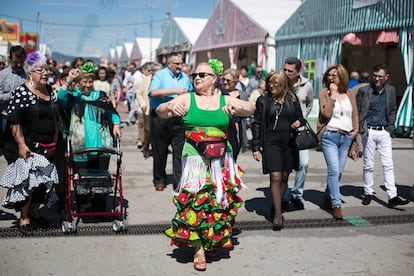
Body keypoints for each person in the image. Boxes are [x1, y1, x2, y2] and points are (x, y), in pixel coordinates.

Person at [157, 60, 255, 271]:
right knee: (196, 202)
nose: (197, 78)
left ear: (214, 79)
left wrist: (236, 107)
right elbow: (160, 111)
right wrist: (170, 105)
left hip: (221, 157)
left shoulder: (224, 98)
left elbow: (251, 107)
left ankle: (211, 238)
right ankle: (198, 248)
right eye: (195, 75)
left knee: (219, 202)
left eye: (202, 74)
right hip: (194, 158)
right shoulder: (188, 98)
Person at [0, 52, 61, 235]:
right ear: (29, 73)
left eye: (46, 70)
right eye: (39, 70)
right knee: (28, 183)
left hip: (47, 146)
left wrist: (55, 140)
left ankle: (35, 212)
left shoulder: (51, 90)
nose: (44, 73)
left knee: (44, 181)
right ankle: (24, 218)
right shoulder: (21, 92)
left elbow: (55, 117)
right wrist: (21, 144)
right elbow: (14, 121)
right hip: (25, 145)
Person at [252, 70, 304, 231]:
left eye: (277, 83)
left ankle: (275, 206)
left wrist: (297, 122)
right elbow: (257, 124)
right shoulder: (263, 100)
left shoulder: (292, 99)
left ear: (283, 85)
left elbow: (300, 117)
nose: (272, 86)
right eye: (270, 83)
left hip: (289, 143)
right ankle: (278, 213)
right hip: (271, 143)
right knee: (275, 176)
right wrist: (256, 146)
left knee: (284, 176)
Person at [356, 64, 409, 207]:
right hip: (369, 131)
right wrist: (361, 128)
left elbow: (392, 109)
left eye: (380, 76)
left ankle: (393, 196)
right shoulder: (364, 91)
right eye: (375, 75)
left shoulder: (390, 91)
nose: (377, 78)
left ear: (386, 77)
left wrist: (390, 128)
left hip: (384, 132)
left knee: (388, 165)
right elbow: (358, 110)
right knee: (368, 165)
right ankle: (367, 192)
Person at [58, 62, 121, 169]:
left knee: (101, 177)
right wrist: (70, 79)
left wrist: (116, 124)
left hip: (101, 140)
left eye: (90, 82)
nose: (88, 85)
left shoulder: (100, 95)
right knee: (81, 178)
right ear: (78, 83)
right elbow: (60, 96)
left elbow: (112, 111)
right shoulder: (73, 96)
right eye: (84, 82)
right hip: (80, 140)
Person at [317, 64, 359, 220]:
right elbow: (325, 113)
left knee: (339, 171)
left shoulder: (349, 93)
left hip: (347, 136)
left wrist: (356, 129)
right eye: (329, 75)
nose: (331, 78)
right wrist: (333, 96)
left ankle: (328, 196)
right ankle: (336, 204)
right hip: (330, 136)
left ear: (342, 77)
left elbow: (354, 113)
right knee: (334, 170)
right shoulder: (324, 93)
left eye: (334, 75)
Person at [148, 53, 193, 191]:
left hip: (179, 118)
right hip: (160, 116)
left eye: (181, 63)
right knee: (160, 150)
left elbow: (190, 93)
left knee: (179, 151)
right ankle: (159, 179)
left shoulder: (185, 78)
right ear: (169, 64)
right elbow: (153, 92)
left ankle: (179, 181)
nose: (180, 66)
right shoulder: (160, 75)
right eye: (177, 63)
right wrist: (175, 91)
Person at [282, 57, 314, 210]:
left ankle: (297, 194)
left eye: (290, 71)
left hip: (300, 131)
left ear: (297, 72)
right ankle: (283, 195)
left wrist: (302, 119)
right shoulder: (280, 82)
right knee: (284, 166)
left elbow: (309, 104)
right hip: (283, 131)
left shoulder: (306, 85)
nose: (286, 73)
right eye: (285, 70)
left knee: (303, 163)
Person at [0, 46, 27, 146]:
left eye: (21, 62)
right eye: (16, 62)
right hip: (5, 118)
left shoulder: (28, 75)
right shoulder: (2, 75)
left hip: (23, 118)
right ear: (10, 59)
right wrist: (13, 95)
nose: (19, 65)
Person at [135, 62, 161, 158]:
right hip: (148, 109)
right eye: (153, 71)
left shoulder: (163, 81)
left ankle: (158, 150)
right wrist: (142, 103)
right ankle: (145, 148)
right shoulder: (146, 80)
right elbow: (138, 93)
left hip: (160, 110)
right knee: (148, 130)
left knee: (159, 132)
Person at [222, 68, 244, 161]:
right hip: (224, 128)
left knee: (233, 156)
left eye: (228, 80)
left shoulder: (242, 94)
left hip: (237, 128)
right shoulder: (220, 93)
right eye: (224, 80)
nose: (225, 82)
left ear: (235, 81)